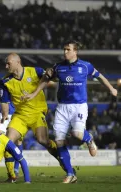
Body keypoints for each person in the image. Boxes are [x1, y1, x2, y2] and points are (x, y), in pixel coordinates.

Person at [22, 40, 118, 183]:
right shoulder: (58, 67)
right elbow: (45, 79)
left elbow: (100, 76)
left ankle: (89, 139)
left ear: (75, 51)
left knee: (77, 133)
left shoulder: (85, 66)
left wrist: (111, 88)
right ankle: (70, 173)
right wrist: (34, 93)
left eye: (68, 49)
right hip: (62, 107)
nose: (65, 52)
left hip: (79, 106)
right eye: (64, 49)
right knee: (59, 141)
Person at [0, 53, 61, 182]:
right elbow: (4, 102)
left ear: (18, 62)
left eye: (8, 63)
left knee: (43, 141)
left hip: (37, 113)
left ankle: (59, 154)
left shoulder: (35, 71)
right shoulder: (5, 81)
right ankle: (12, 176)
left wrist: (51, 73)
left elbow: (53, 79)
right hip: (20, 116)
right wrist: (4, 115)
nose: (6, 66)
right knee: (8, 143)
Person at [0, 95, 24, 181]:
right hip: (3, 117)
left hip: (17, 116)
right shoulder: (3, 84)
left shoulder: (20, 84)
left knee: (18, 142)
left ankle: (15, 169)